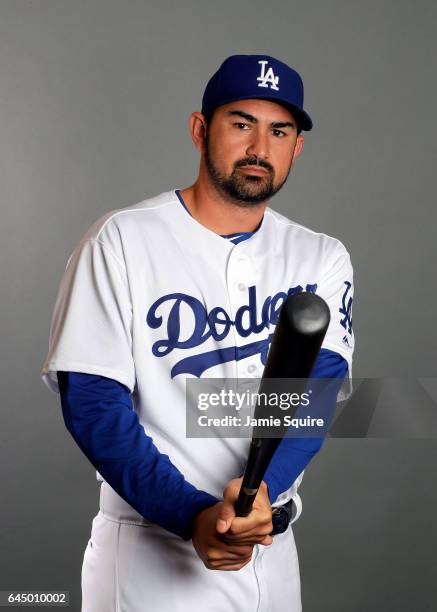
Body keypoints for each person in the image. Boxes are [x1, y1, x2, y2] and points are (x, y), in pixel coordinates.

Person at [41, 54, 354, 611]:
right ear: (200, 129)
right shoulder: (120, 241)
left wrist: (255, 500)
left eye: (279, 130)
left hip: (272, 551)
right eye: (241, 123)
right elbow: (92, 404)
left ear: (296, 147)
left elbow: (316, 393)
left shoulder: (322, 255)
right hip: (150, 556)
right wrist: (192, 514)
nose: (260, 146)